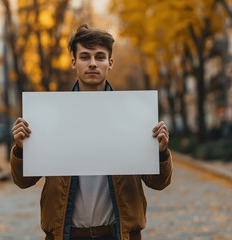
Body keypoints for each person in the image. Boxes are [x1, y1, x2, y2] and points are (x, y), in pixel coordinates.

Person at [10, 24, 173, 240]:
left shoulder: (133, 114)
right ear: (73, 62)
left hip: (117, 234)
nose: (93, 64)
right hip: (67, 235)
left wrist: (160, 152)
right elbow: (23, 181)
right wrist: (21, 149)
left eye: (100, 57)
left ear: (110, 63)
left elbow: (158, 182)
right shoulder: (51, 115)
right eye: (85, 56)